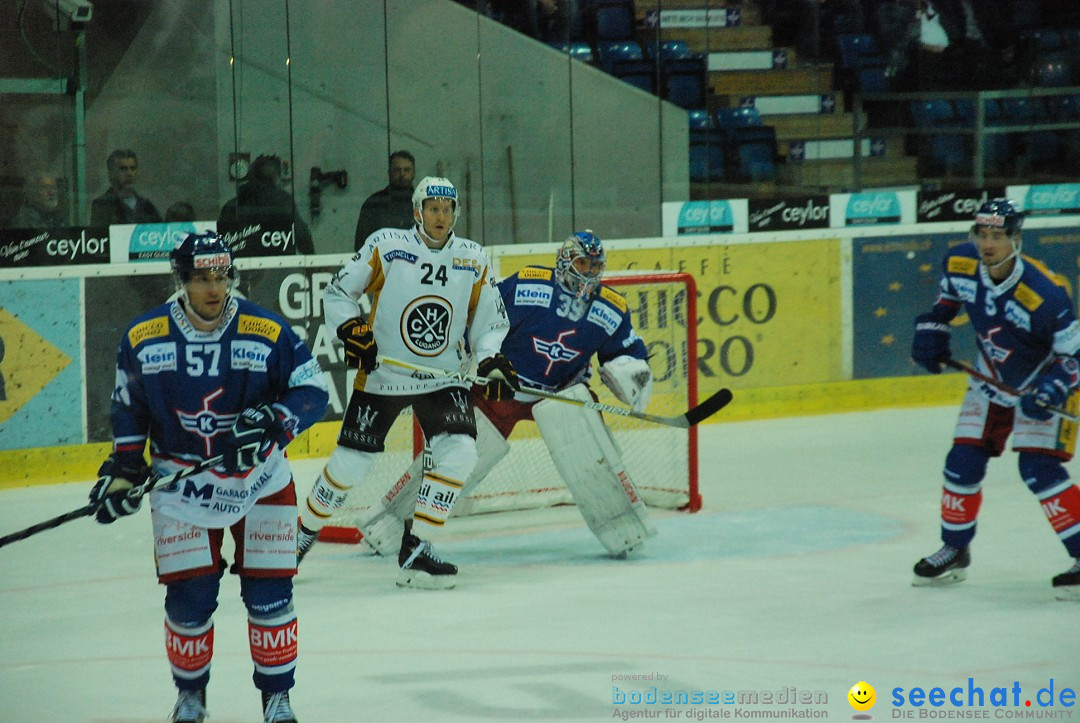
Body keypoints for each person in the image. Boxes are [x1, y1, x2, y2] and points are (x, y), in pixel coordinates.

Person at [88, 231, 328, 721]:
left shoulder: (265, 330)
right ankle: (191, 695)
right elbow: (128, 411)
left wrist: (273, 423)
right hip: (181, 487)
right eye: (201, 278)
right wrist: (124, 471)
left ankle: (278, 699)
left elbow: (313, 388)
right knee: (190, 599)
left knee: (270, 595)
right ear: (181, 280)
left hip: (261, 482)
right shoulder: (143, 337)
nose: (214, 288)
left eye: (221, 276)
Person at [317, 230, 658, 562]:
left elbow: (623, 351)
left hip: (561, 393)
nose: (590, 273)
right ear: (565, 262)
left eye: (595, 267)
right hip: (504, 388)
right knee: (457, 458)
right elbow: (481, 318)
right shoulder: (527, 285)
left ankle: (624, 527)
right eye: (583, 264)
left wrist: (630, 371)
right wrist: (469, 357)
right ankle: (389, 524)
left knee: (589, 447)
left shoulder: (612, 308)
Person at [296, 176, 516, 590]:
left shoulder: (473, 258)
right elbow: (340, 291)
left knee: (460, 452)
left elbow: (491, 321)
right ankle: (301, 536)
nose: (440, 216)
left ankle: (417, 549)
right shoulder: (388, 245)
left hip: (443, 377)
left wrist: (490, 361)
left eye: (447, 210)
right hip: (384, 373)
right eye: (432, 208)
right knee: (350, 465)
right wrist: (352, 331)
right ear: (417, 211)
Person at [910, 198, 1080, 600]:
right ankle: (955, 549)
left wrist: (1053, 388)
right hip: (989, 379)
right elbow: (945, 305)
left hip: (1043, 382)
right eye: (981, 235)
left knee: (1038, 469)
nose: (987, 244)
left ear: (1017, 239)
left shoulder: (1046, 294)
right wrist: (932, 330)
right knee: (962, 462)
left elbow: (1074, 357)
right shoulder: (960, 263)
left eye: (998, 236)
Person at [219, 155, 314, 255]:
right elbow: (301, 234)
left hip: (243, 264)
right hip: (278, 263)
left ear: (251, 176)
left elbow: (223, 241)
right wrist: (312, 260)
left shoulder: (233, 204)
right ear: (276, 177)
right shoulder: (283, 201)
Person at [354, 150, 416, 250]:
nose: (402, 174)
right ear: (389, 173)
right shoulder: (374, 203)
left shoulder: (423, 204)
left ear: (413, 173)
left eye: (407, 170)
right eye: (397, 170)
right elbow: (361, 246)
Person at [90, 149, 163, 226]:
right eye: (123, 169)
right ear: (111, 173)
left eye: (132, 168)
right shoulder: (103, 205)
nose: (129, 173)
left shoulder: (147, 206)